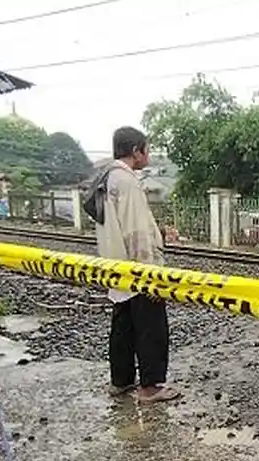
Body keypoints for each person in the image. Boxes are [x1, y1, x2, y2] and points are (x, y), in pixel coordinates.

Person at [96, 126, 180, 404]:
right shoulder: (127, 181)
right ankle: (151, 386)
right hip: (137, 267)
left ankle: (121, 381)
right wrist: (151, 274)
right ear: (136, 151)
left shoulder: (107, 178)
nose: (148, 155)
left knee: (123, 326)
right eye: (147, 149)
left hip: (115, 265)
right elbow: (137, 231)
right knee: (150, 327)